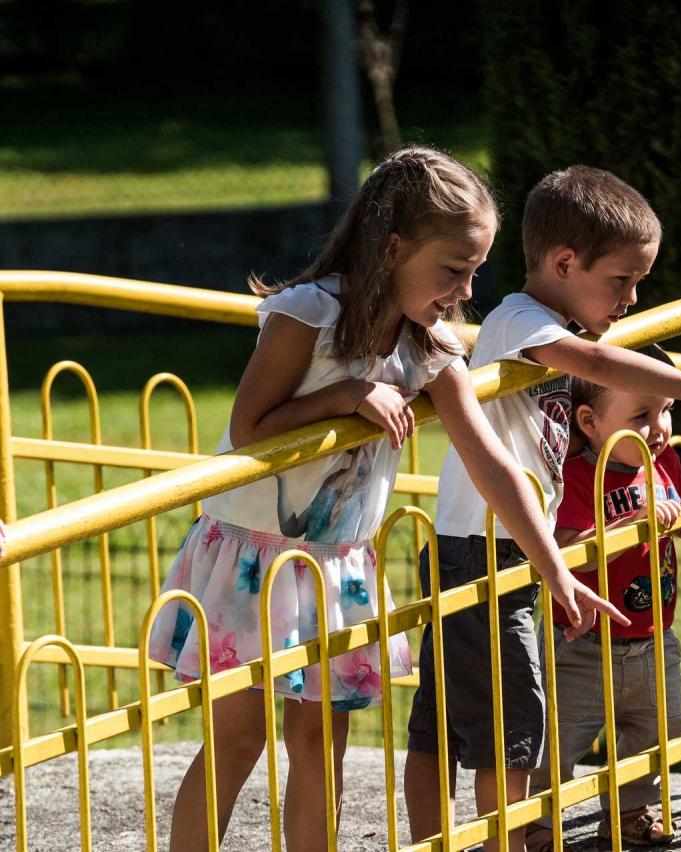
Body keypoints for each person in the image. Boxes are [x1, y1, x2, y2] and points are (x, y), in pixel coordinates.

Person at [146, 147, 625, 851]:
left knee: (321, 746)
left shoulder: (430, 349)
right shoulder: (309, 315)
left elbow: (492, 465)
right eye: (452, 270)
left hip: (334, 566)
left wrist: (554, 569)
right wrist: (347, 396)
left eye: (474, 273)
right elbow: (248, 428)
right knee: (237, 739)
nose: (463, 292)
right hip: (254, 558)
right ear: (393, 247)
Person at [404, 165, 681, 851]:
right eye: (623, 281)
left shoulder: (540, 323)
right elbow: (596, 364)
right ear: (564, 262)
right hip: (486, 549)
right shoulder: (521, 320)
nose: (631, 299)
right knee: (508, 729)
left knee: (447, 720)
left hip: (489, 543)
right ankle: (502, 843)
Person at [526, 345, 681, 849]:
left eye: (667, 410)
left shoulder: (664, 461)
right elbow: (563, 553)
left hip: (654, 639)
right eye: (642, 415)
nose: (661, 427)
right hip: (580, 645)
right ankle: (537, 820)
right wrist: (624, 526)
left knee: (657, 732)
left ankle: (629, 811)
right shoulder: (579, 476)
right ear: (590, 421)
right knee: (558, 741)